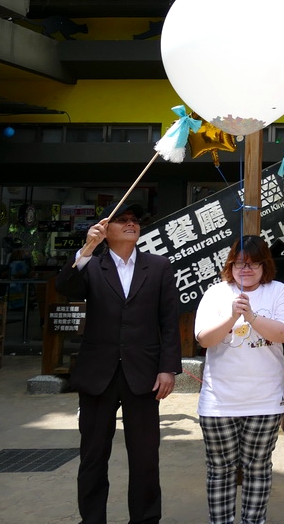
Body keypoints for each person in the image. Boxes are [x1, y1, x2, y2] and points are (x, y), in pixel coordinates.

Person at [57, 203, 181, 524]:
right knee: (93, 456)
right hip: (98, 373)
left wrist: (168, 368)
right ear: (105, 230)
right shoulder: (92, 266)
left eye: (134, 221)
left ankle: (145, 519)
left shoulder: (157, 266)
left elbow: (169, 321)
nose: (130, 224)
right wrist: (87, 247)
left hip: (143, 375)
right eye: (121, 220)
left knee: (145, 458)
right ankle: (92, 519)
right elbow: (65, 288)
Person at [195, 235, 284, 524]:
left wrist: (251, 317)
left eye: (254, 264)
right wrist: (231, 318)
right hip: (219, 402)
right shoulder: (216, 293)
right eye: (240, 263)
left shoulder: (279, 292)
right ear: (230, 265)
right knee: (220, 469)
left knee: (258, 468)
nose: (247, 269)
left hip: (265, 400)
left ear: (266, 266)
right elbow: (204, 339)